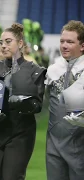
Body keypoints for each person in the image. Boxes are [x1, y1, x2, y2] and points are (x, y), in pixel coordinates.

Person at [0, 23, 46, 180]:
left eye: (8, 42)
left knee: (12, 177)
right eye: (1, 42)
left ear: (20, 43)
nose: (3, 46)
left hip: (20, 133)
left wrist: (22, 102)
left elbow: (38, 105)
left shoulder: (34, 70)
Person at [45, 20, 84, 180]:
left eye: (70, 42)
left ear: (82, 46)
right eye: (62, 41)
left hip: (80, 145)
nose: (64, 45)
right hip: (54, 143)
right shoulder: (52, 70)